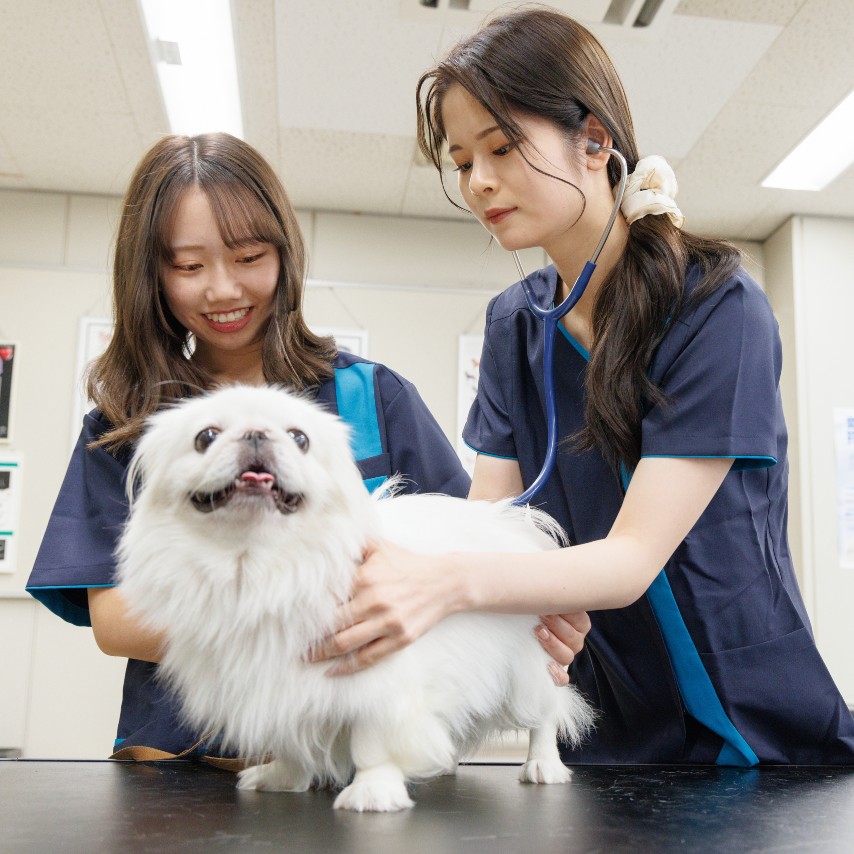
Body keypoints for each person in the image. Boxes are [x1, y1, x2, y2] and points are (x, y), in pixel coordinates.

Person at [312, 7, 854, 765]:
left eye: (502, 146)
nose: (479, 182)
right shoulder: (516, 325)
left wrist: (447, 583)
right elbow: (488, 525)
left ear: (595, 142)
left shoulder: (717, 307)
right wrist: (509, 594)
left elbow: (631, 561)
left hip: (753, 720)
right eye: (463, 160)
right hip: (608, 722)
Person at [25, 132, 485, 762]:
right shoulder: (129, 422)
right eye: (188, 267)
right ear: (151, 274)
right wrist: (317, 618)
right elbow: (117, 620)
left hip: (349, 756)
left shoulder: (371, 398)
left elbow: (461, 565)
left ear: (284, 254)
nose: (222, 290)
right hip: (177, 763)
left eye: (247, 256)